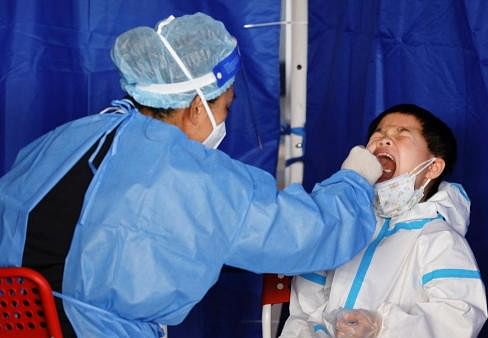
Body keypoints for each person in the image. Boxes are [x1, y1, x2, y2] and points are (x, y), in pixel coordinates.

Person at [0, 12, 385, 337]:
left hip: (12, 320)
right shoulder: (199, 177)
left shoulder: (67, 137)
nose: (223, 121)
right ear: (197, 107)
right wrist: (355, 179)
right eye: (226, 108)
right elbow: (309, 235)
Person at [280, 104, 488, 338]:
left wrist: (382, 326)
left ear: (433, 168)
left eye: (402, 134)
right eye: (378, 133)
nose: (384, 139)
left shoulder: (439, 239)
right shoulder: (347, 226)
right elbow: (306, 310)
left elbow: (458, 320)